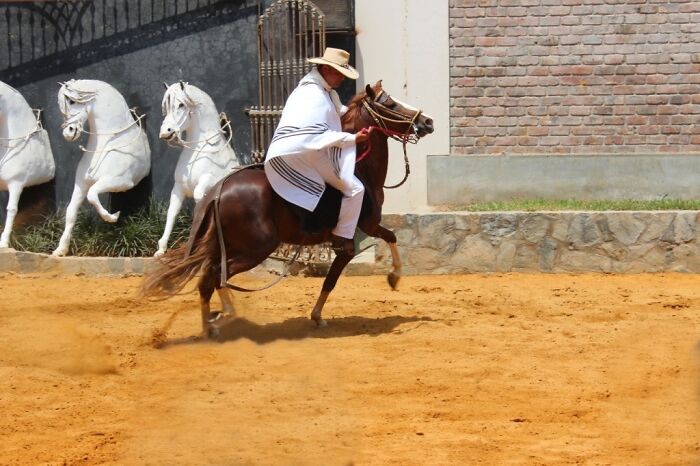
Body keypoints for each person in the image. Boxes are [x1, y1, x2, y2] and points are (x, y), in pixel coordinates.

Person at [264, 47, 371, 255]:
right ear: (324, 68)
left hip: (302, 149)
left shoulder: (325, 91)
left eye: (343, 73)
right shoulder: (313, 94)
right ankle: (342, 237)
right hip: (304, 153)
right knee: (356, 189)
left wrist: (363, 108)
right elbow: (314, 133)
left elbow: (338, 113)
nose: (341, 78)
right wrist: (352, 139)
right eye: (338, 72)